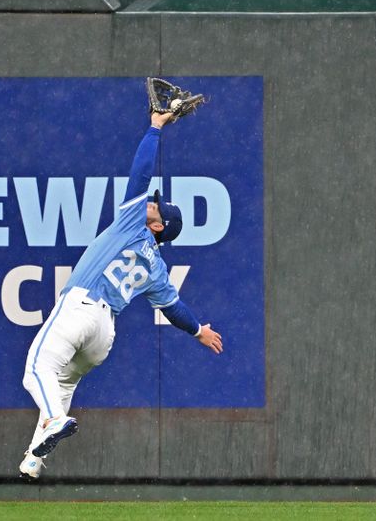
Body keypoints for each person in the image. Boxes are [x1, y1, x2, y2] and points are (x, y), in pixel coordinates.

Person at [18, 108, 223, 480]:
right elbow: (174, 308)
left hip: (79, 308)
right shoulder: (157, 268)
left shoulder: (133, 223)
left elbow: (140, 171)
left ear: (158, 225)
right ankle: (34, 460)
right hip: (103, 334)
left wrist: (156, 126)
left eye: (155, 206)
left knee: (37, 370)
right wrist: (198, 331)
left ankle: (52, 420)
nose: (150, 203)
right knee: (62, 382)